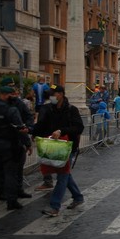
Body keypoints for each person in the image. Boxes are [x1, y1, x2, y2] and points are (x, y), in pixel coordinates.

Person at [34, 85, 85, 217]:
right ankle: (78, 197)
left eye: (54, 94)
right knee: (65, 175)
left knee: (62, 176)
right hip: (53, 147)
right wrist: (28, 130)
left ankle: (54, 206)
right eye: (50, 94)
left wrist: (62, 131)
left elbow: (79, 127)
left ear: (61, 94)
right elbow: (41, 126)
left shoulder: (71, 110)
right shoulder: (48, 109)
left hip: (68, 147)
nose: (51, 97)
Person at [0, 84, 28, 210]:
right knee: (10, 173)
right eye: (11, 95)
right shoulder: (11, 109)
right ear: (4, 95)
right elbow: (20, 128)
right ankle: (11, 201)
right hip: (9, 145)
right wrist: (27, 142)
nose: (14, 97)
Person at [1, 78, 34, 200]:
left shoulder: (18, 103)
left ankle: (18, 190)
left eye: (13, 87)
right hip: (4, 141)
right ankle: (4, 194)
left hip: (17, 140)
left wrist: (29, 130)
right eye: (10, 87)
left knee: (18, 167)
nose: (13, 89)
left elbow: (27, 118)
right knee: (3, 170)